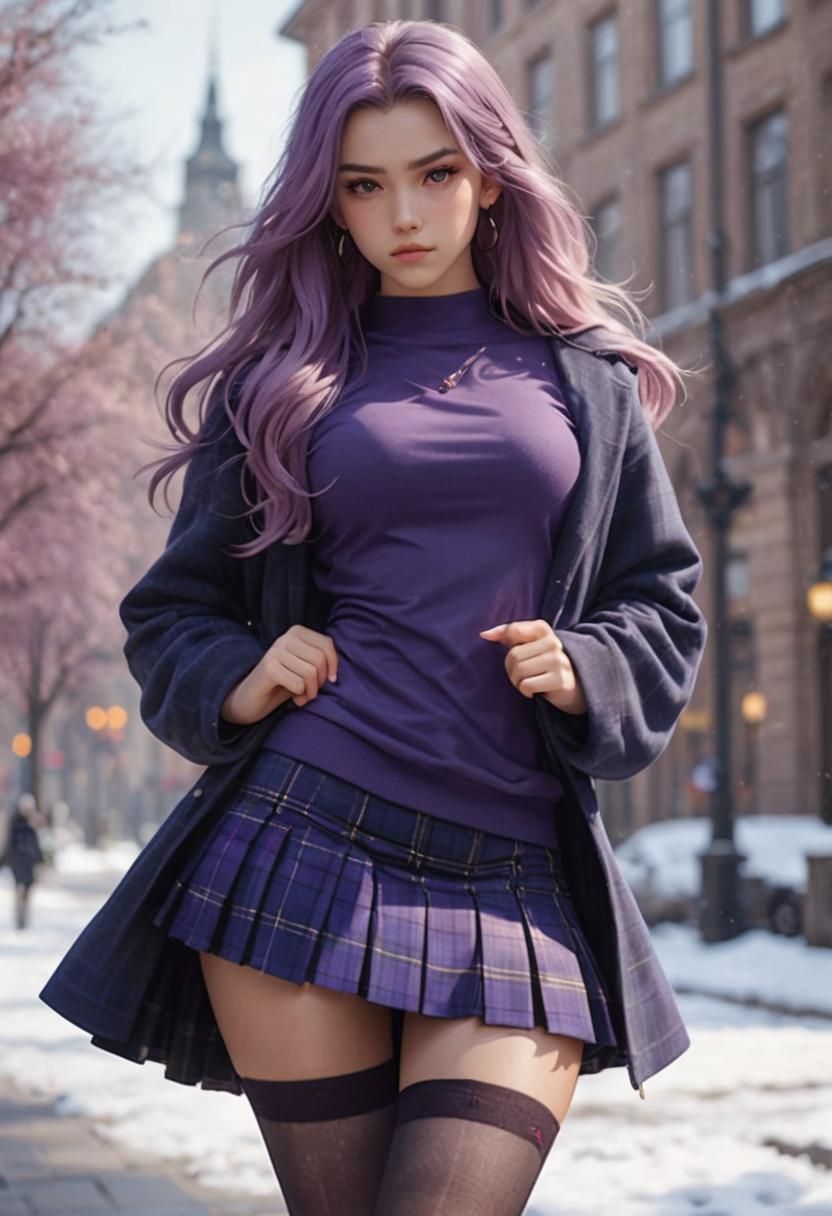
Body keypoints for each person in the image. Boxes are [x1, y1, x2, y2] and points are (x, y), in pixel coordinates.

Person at [38, 19, 708, 1216]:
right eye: (363, 184)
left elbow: (659, 595)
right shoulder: (279, 383)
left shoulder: (586, 379)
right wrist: (241, 671)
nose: (403, 212)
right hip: (305, 830)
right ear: (329, 201)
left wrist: (589, 663)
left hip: (516, 865)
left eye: (434, 173)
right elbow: (175, 608)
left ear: (490, 176)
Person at [3, 792, 46, 930]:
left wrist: (40, 859)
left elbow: (36, 843)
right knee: (18, 889)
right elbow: (10, 843)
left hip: (29, 863)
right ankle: (19, 917)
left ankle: (24, 916)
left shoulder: (32, 823)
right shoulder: (15, 823)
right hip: (18, 862)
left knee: (27, 890)